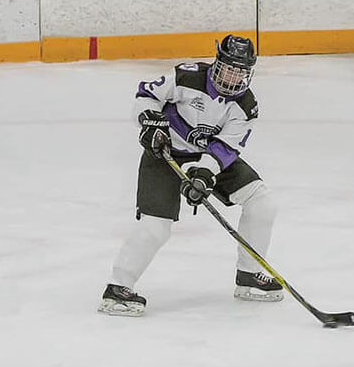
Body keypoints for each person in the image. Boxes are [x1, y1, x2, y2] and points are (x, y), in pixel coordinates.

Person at [98, 35, 283, 317]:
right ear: (217, 63)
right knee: (156, 227)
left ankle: (249, 274)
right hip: (165, 154)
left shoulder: (246, 105)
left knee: (262, 202)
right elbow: (147, 94)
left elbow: (226, 147)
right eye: (229, 68)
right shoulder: (186, 76)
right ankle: (118, 288)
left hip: (208, 158)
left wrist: (203, 175)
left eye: (240, 71)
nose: (233, 77)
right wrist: (149, 123)